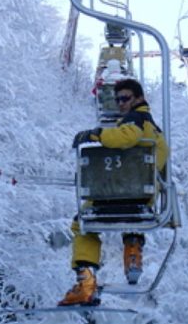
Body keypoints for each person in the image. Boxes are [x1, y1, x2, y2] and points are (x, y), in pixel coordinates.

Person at [59, 78, 169, 307]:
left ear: (139, 99)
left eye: (125, 98)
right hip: (142, 199)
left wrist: (96, 135)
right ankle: (133, 254)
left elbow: (126, 137)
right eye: (117, 99)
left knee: (82, 223)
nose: (120, 103)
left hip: (123, 197)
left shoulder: (137, 119)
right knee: (133, 220)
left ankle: (86, 282)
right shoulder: (153, 127)